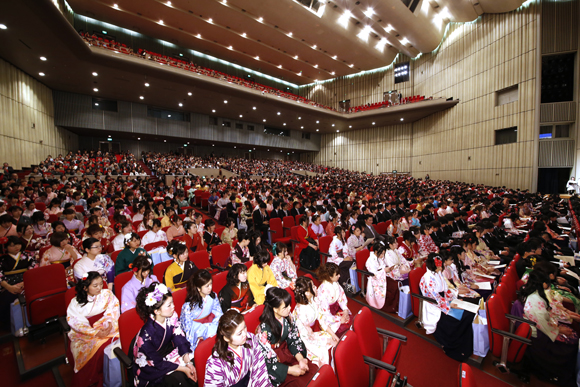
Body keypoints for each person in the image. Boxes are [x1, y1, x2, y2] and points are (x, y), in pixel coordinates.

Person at [521, 270, 579, 386]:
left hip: (544, 326)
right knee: (571, 340)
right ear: (543, 284)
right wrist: (558, 330)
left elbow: (548, 314)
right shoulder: (535, 300)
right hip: (540, 333)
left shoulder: (537, 294)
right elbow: (542, 323)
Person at [132, 282, 197, 387]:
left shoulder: (172, 316)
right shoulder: (145, 336)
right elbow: (156, 363)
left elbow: (178, 336)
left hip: (169, 352)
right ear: (156, 311)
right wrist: (184, 369)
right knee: (178, 381)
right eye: (169, 305)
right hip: (151, 365)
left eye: (172, 303)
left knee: (195, 364)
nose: (173, 307)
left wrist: (187, 361)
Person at [255, 287, 318, 387]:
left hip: (289, 351)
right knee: (299, 383)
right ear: (275, 309)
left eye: (289, 305)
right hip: (275, 360)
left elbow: (294, 339)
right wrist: (290, 370)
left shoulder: (288, 317)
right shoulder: (264, 329)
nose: (290, 308)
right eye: (285, 307)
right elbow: (266, 361)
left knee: (313, 370)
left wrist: (300, 359)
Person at [66, 272, 120, 387]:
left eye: (101, 284)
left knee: (122, 339)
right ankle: (96, 378)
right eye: (95, 286)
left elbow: (113, 307)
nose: (100, 288)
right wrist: (95, 332)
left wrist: (109, 322)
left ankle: (115, 375)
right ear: (85, 287)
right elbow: (76, 322)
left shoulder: (107, 294)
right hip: (86, 332)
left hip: (107, 325)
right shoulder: (75, 303)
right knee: (99, 348)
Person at [419, 254, 474, 362]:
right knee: (462, 317)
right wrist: (448, 305)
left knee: (469, 313)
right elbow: (434, 297)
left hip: (443, 301)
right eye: (439, 266)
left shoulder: (438, 273)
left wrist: (454, 299)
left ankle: (464, 345)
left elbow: (446, 290)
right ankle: (451, 344)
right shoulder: (427, 278)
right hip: (434, 305)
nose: (441, 268)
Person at [204, 310, 272, 387]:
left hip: (249, 382)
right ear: (226, 338)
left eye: (245, 328)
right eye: (239, 333)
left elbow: (259, 369)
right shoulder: (216, 362)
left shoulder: (251, 339)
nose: (245, 334)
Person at [292, 277, 338, 366]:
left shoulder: (314, 300)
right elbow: (305, 336)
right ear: (306, 293)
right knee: (322, 351)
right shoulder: (300, 310)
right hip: (302, 337)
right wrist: (326, 340)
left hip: (310, 333)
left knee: (331, 337)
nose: (316, 287)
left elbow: (322, 321)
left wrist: (333, 335)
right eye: (313, 287)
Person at [180, 270, 223, 351]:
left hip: (212, 322)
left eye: (211, 284)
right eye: (207, 286)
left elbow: (218, 312)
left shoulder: (213, 296)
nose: (210, 287)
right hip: (197, 328)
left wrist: (213, 324)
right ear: (198, 288)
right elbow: (187, 325)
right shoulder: (189, 305)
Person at [0, 236, 37, 328]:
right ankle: (11, 324)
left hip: (27, 280)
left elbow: (33, 268)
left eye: (18, 244)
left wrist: (25, 282)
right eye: (12, 246)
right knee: (7, 297)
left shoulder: (28, 255)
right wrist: (9, 287)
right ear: (5, 247)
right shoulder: (2, 259)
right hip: (8, 283)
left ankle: (35, 320)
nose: (16, 247)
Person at [315, 263, 351, 338]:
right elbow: (324, 313)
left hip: (336, 308)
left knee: (349, 318)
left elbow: (341, 297)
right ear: (330, 277)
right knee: (342, 325)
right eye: (337, 274)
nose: (339, 276)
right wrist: (339, 319)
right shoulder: (323, 290)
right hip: (327, 315)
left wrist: (345, 310)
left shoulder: (335, 283)